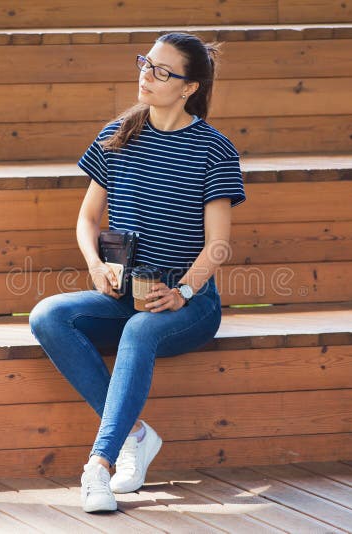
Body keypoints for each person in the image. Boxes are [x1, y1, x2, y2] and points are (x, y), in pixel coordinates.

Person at [28, 31, 246, 513]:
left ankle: (99, 466)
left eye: (162, 71)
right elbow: (87, 219)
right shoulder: (118, 133)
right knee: (48, 315)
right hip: (123, 291)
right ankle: (135, 435)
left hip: (188, 303)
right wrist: (94, 266)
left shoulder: (215, 150)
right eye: (146, 63)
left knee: (141, 329)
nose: (146, 75)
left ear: (189, 88)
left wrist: (185, 291)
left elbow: (218, 245)